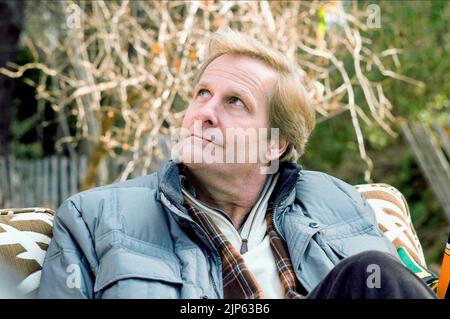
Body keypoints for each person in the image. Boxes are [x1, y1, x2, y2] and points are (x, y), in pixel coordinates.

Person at [38, 29, 435, 299]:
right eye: (202, 94)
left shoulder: (338, 200)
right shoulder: (93, 216)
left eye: (234, 102)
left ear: (275, 144)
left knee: (371, 270)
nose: (205, 113)